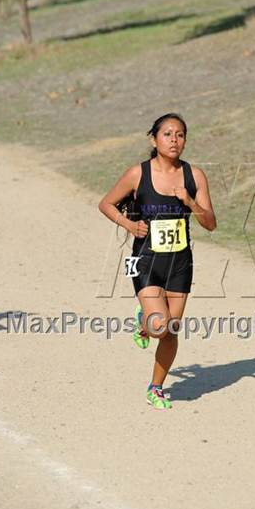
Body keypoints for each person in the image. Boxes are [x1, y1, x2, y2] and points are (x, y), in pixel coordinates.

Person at [98, 113, 216, 410]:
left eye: (180, 135)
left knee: (170, 330)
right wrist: (128, 225)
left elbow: (211, 223)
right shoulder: (138, 174)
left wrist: (190, 202)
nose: (174, 140)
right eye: (167, 134)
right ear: (154, 139)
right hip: (146, 259)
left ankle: (156, 388)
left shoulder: (195, 176)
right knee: (158, 325)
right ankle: (143, 320)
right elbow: (106, 204)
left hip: (180, 262)